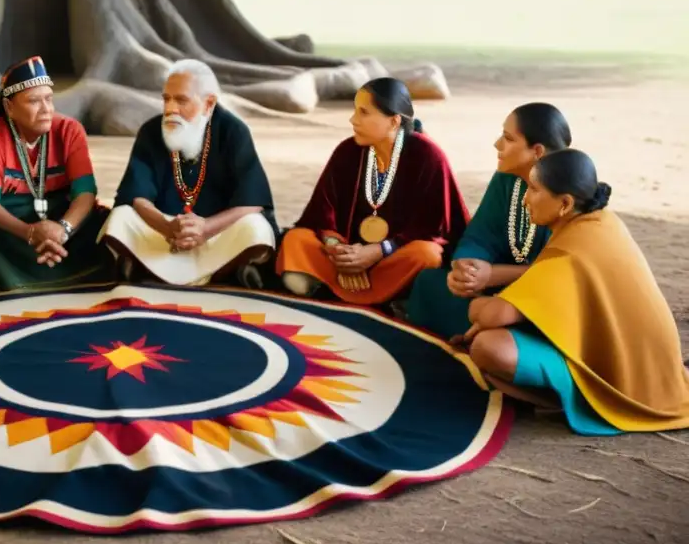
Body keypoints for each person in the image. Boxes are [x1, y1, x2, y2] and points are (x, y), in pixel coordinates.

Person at [458, 149, 689, 434]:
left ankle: (584, 402)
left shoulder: (571, 251)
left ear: (565, 203)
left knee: (489, 347)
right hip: (653, 370)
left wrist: (477, 307)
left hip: (634, 385)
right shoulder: (602, 221)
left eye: (534, 189)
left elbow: (493, 315)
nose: (526, 198)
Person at [277, 78, 469, 306]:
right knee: (296, 239)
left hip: (394, 256)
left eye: (363, 112)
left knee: (427, 255)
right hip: (345, 252)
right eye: (355, 111)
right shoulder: (348, 150)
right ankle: (382, 295)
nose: (353, 120)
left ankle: (334, 289)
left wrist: (378, 251)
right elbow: (321, 211)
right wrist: (340, 252)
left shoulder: (427, 155)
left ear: (393, 121)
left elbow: (433, 227)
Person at [100, 59, 277, 287]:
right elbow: (137, 197)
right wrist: (167, 227)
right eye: (166, 99)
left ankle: (145, 270)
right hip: (163, 235)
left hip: (217, 235)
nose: (170, 109)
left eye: (181, 100)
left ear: (208, 103)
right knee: (120, 218)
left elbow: (253, 201)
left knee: (256, 227)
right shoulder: (151, 131)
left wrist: (206, 228)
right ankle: (226, 274)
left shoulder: (234, 131)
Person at [407, 103, 572, 338]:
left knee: (499, 324)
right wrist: (467, 267)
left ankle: (495, 333)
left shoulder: (564, 195)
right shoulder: (508, 177)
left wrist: (491, 275)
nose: (497, 144)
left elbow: (557, 272)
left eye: (508, 138)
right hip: (493, 284)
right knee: (428, 283)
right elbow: (482, 232)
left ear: (537, 151)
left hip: (536, 296)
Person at [0, 56, 111, 292]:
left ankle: (89, 279)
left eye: (49, 99)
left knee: (107, 220)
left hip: (61, 218)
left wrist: (63, 229)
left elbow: (85, 192)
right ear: (9, 107)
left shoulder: (69, 130)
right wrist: (30, 232)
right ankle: (6, 286)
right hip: (12, 221)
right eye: (34, 101)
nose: (46, 109)